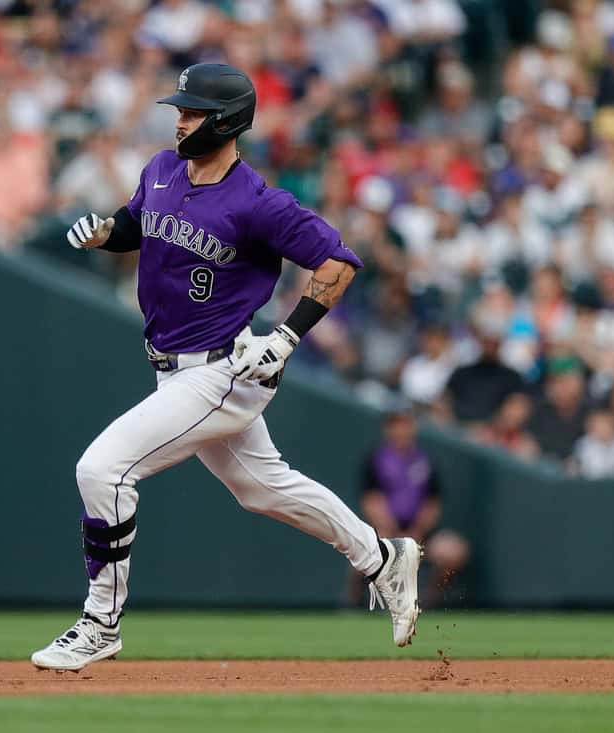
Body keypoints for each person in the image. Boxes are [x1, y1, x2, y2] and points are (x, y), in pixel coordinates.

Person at [30, 64, 422, 672]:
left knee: (102, 470)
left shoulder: (257, 201)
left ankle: (101, 622)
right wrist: (103, 232)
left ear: (227, 122)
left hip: (221, 368)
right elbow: (135, 225)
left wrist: (287, 337)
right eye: (180, 110)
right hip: (174, 367)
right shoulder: (162, 169)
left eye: (192, 111)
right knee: (263, 488)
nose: (180, 119)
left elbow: (339, 262)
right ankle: (381, 558)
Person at [358, 409, 470, 608]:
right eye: (397, 424)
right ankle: (354, 604)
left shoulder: (426, 460)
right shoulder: (376, 459)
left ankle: (427, 602)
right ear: (388, 429)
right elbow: (372, 500)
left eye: (406, 424)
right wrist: (394, 534)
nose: (402, 430)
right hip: (387, 533)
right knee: (358, 549)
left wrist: (416, 532)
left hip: (420, 535)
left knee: (454, 551)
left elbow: (432, 503)